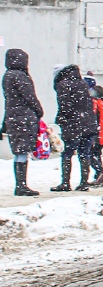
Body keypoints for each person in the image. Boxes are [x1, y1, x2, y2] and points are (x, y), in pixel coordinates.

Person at [50, 64, 99, 193]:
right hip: (88, 123)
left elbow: (64, 106)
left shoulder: (63, 85)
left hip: (73, 124)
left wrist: (60, 120)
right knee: (84, 154)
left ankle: (65, 182)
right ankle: (84, 183)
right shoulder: (82, 83)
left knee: (67, 153)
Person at [2, 49, 43, 197]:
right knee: (22, 152)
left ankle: (20, 184)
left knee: (19, 151)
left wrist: (5, 123)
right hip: (24, 118)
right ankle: (21, 185)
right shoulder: (20, 76)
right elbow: (30, 97)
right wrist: (39, 111)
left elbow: (9, 101)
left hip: (13, 118)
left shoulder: (7, 76)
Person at [84, 73, 103, 187]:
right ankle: (99, 178)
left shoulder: (93, 101)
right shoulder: (101, 101)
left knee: (90, 154)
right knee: (96, 154)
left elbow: (92, 116)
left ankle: (101, 172)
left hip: (95, 132)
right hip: (101, 132)